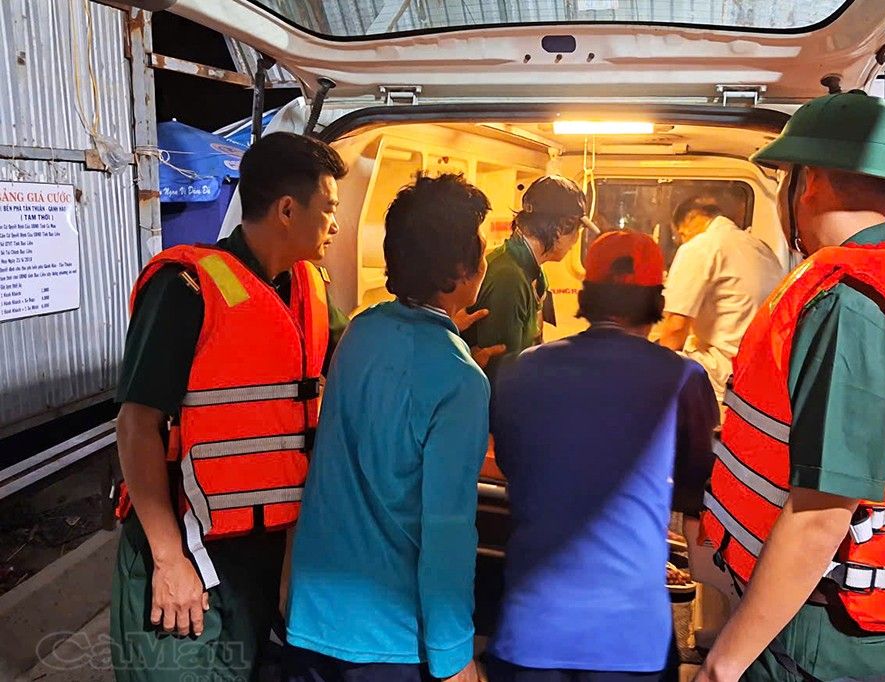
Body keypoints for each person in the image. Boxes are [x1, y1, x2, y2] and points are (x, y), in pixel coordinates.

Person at [696, 91, 885, 682]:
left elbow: (822, 513)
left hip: (822, 631)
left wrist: (725, 662)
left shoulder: (850, 303)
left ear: (808, 180)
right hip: (871, 617)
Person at [111, 132, 349, 681]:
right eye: (330, 208)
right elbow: (136, 425)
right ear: (288, 209)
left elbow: (346, 361)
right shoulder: (186, 288)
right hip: (181, 546)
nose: (335, 224)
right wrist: (169, 561)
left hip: (256, 555)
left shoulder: (308, 288)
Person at [283, 174, 491, 682]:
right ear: (463, 269)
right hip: (387, 639)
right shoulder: (462, 382)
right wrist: (454, 654)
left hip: (312, 617)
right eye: (483, 252)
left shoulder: (361, 330)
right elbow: (447, 530)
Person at [486, 231, 718, 681]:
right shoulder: (684, 379)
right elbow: (697, 494)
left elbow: (515, 468)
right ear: (657, 300)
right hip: (632, 638)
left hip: (531, 627)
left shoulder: (522, 369)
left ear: (588, 296)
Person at [463, 175, 599, 386]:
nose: (576, 240)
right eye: (577, 230)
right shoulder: (508, 278)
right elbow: (503, 373)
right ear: (562, 226)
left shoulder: (535, 273)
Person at [660, 198, 783, 409]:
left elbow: (675, 326)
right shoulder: (760, 247)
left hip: (724, 372)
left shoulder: (700, 246)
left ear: (692, 219)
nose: (682, 240)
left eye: (681, 234)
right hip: (762, 371)